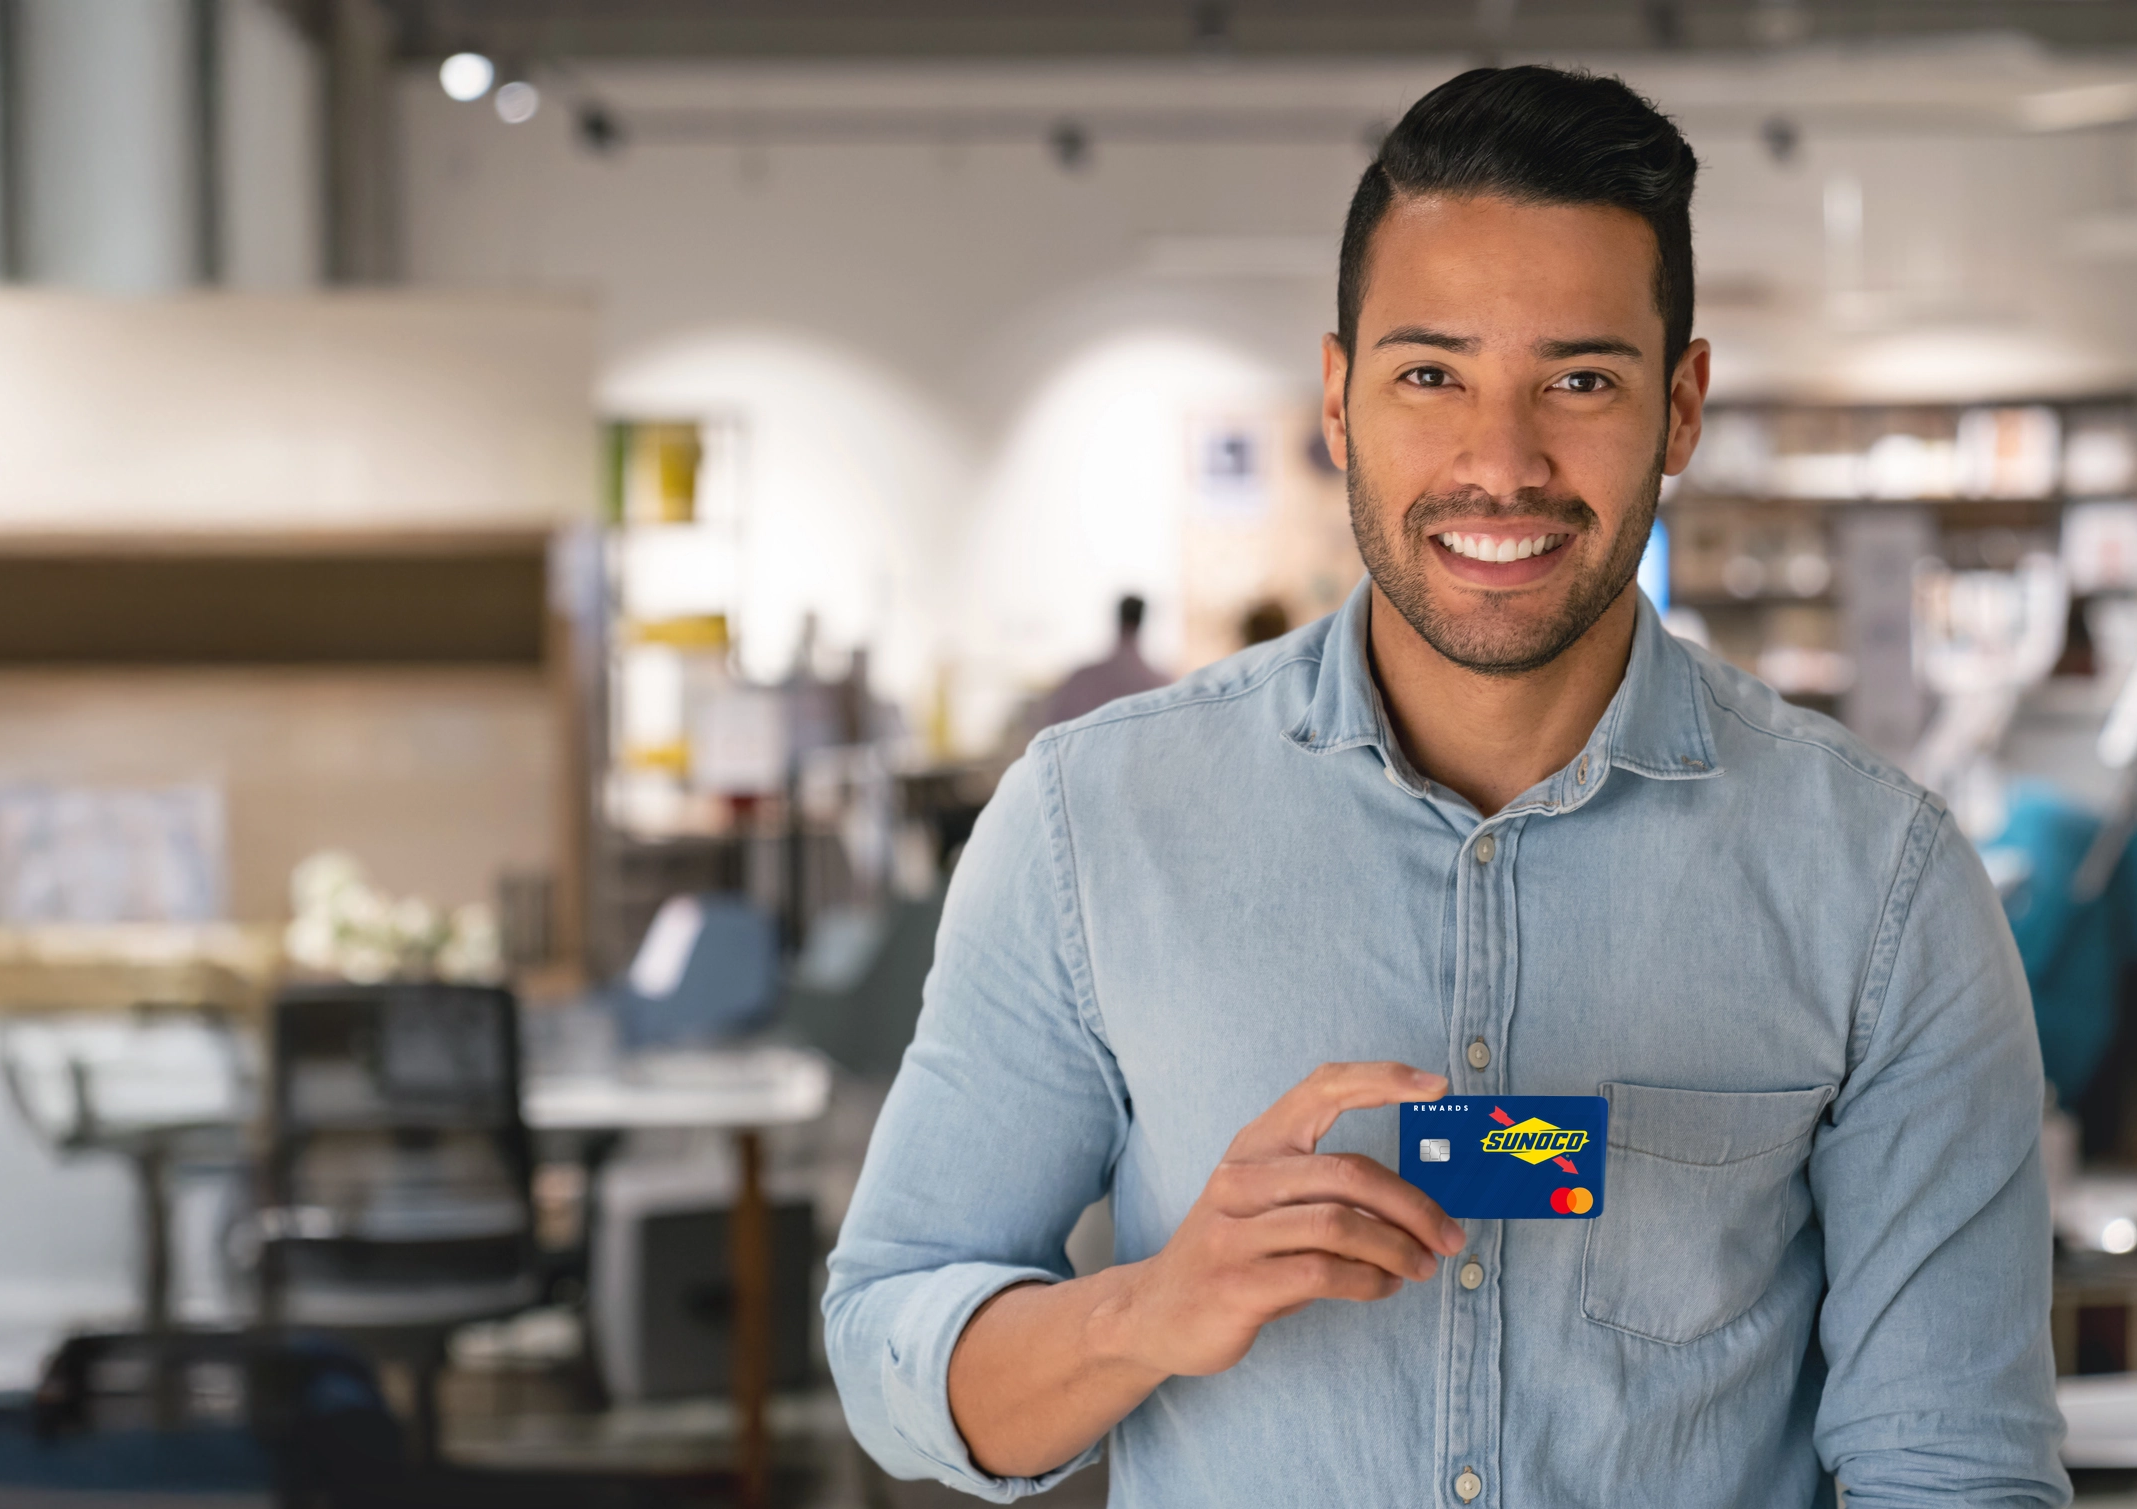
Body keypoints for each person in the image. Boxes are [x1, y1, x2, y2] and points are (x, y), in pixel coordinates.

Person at [827, 65, 2064, 1508]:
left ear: (1680, 407)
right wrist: (1144, 1311)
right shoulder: (1089, 825)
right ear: (1340, 399)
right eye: (1432, 375)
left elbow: (1955, 1466)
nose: (1501, 460)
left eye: (1580, 381)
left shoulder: (1879, 881)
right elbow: (887, 1350)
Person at [1036, 593, 1171, 727]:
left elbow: (1053, 727)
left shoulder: (1081, 679)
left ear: (1118, 618)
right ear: (1141, 621)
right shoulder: (1158, 684)